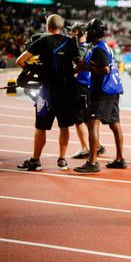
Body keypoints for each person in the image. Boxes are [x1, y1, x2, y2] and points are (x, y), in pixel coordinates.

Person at [15, 14, 78, 171]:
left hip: (47, 91)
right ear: (62, 27)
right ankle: (62, 159)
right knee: (64, 126)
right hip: (67, 91)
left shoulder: (42, 41)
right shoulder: (70, 42)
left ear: (47, 26)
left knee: (40, 126)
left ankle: (35, 160)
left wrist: (36, 73)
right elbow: (78, 65)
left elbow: (20, 61)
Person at [74, 19, 127, 173]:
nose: (86, 33)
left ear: (93, 33)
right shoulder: (105, 47)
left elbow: (105, 70)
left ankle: (92, 162)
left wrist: (86, 67)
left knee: (92, 123)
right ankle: (120, 159)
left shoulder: (98, 49)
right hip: (113, 89)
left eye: (88, 31)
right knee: (115, 124)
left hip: (102, 92)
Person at [68, 22, 106, 160]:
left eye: (74, 32)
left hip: (81, 86)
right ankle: (97, 145)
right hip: (89, 87)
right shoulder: (92, 47)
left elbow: (76, 70)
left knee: (79, 120)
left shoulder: (81, 49)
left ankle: (85, 148)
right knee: (88, 120)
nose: (72, 35)